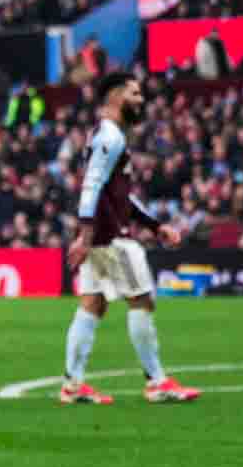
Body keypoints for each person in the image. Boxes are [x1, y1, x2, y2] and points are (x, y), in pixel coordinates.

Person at [61, 72, 202, 405]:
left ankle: (72, 384)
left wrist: (155, 226)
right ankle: (156, 382)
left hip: (100, 236)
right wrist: (85, 234)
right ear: (115, 97)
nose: (141, 100)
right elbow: (91, 185)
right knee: (142, 299)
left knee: (93, 304)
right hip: (111, 238)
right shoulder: (110, 137)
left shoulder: (105, 136)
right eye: (135, 94)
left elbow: (118, 194)